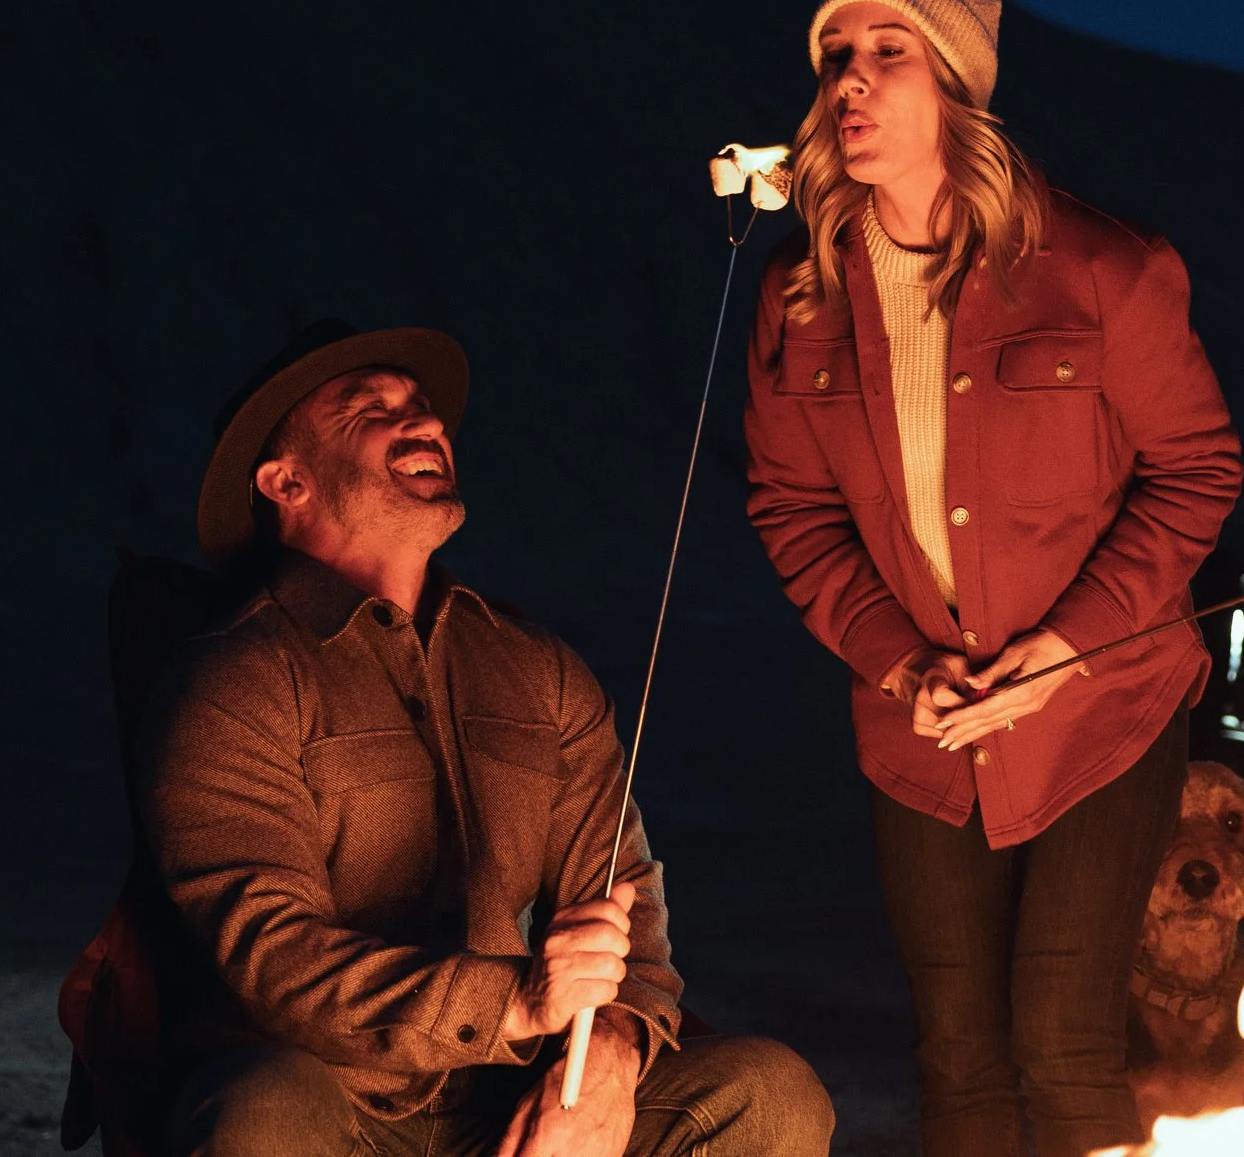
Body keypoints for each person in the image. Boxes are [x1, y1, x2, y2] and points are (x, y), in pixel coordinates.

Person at [743, 0, 1242, 1157]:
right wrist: (902, 664)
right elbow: (791, 509)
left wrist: (1066, 649)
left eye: (886, 52)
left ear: (957, 80)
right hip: (922, 720)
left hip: (1102, 705)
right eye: (833, 59)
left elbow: (1198, 471)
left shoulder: (1103, 269)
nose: (848, 82)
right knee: (957, 1052)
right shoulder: (799, 297)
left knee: (1059, 1039)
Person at [148, 320, 834, 1157]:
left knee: (766, 1095)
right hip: (332, 1100)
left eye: (427, 410)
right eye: (374, 409)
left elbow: (624, 899)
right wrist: (517, 1005)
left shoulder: (537, 669)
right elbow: (273, 953)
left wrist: (607, 1060)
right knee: (262, 1115)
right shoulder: (233, 677)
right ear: (286, 480)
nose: (427, 424)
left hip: (512, 1104)